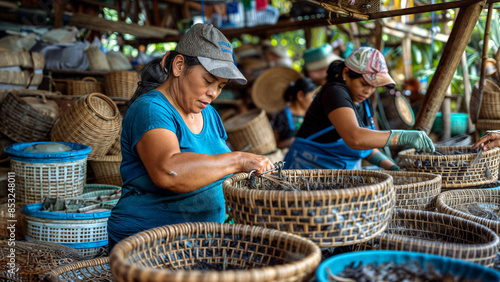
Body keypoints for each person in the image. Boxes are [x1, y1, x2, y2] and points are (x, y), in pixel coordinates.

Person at [107, 23, 274, 251]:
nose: (213, 92)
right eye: (208, 80)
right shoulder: (151, 109)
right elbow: (168, 172)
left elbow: (216, 172)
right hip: (148, 245)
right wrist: (238, 161)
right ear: (178, 66)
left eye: (221, 85)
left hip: (201, 242)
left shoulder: (210, 115)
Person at [284, 47, 435, 170]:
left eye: (374, 87)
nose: (368, 91)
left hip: (336, 176)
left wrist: (393, 168)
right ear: (346, 74)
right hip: (305, 170)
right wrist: (401, 136)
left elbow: (366, 148)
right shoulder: (334, 92)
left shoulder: (364, 102)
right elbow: (355, 138)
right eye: (364, 84)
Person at [271, 77, 318, 149]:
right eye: (313, 97)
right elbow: (274, 145)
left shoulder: (312, 115)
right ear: (300, 96)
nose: (315, 101)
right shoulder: (282, 117)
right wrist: (294, 141)